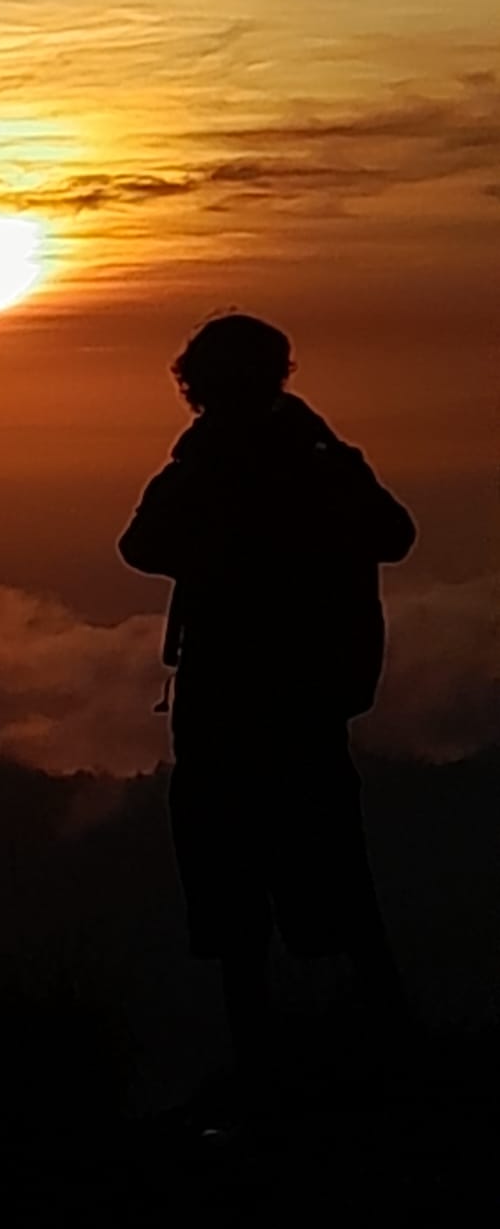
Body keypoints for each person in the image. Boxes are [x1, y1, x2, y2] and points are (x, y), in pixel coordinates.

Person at [117, 312, 417, 1111]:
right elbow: (395, 535)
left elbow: (142, 543)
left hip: (239, 703)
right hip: (304, 702)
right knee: (326, 885)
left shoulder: (229, 457)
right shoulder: (316, 454)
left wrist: (231, 546)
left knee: (244, 898)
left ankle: (276, 1075)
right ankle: (384, 1058)